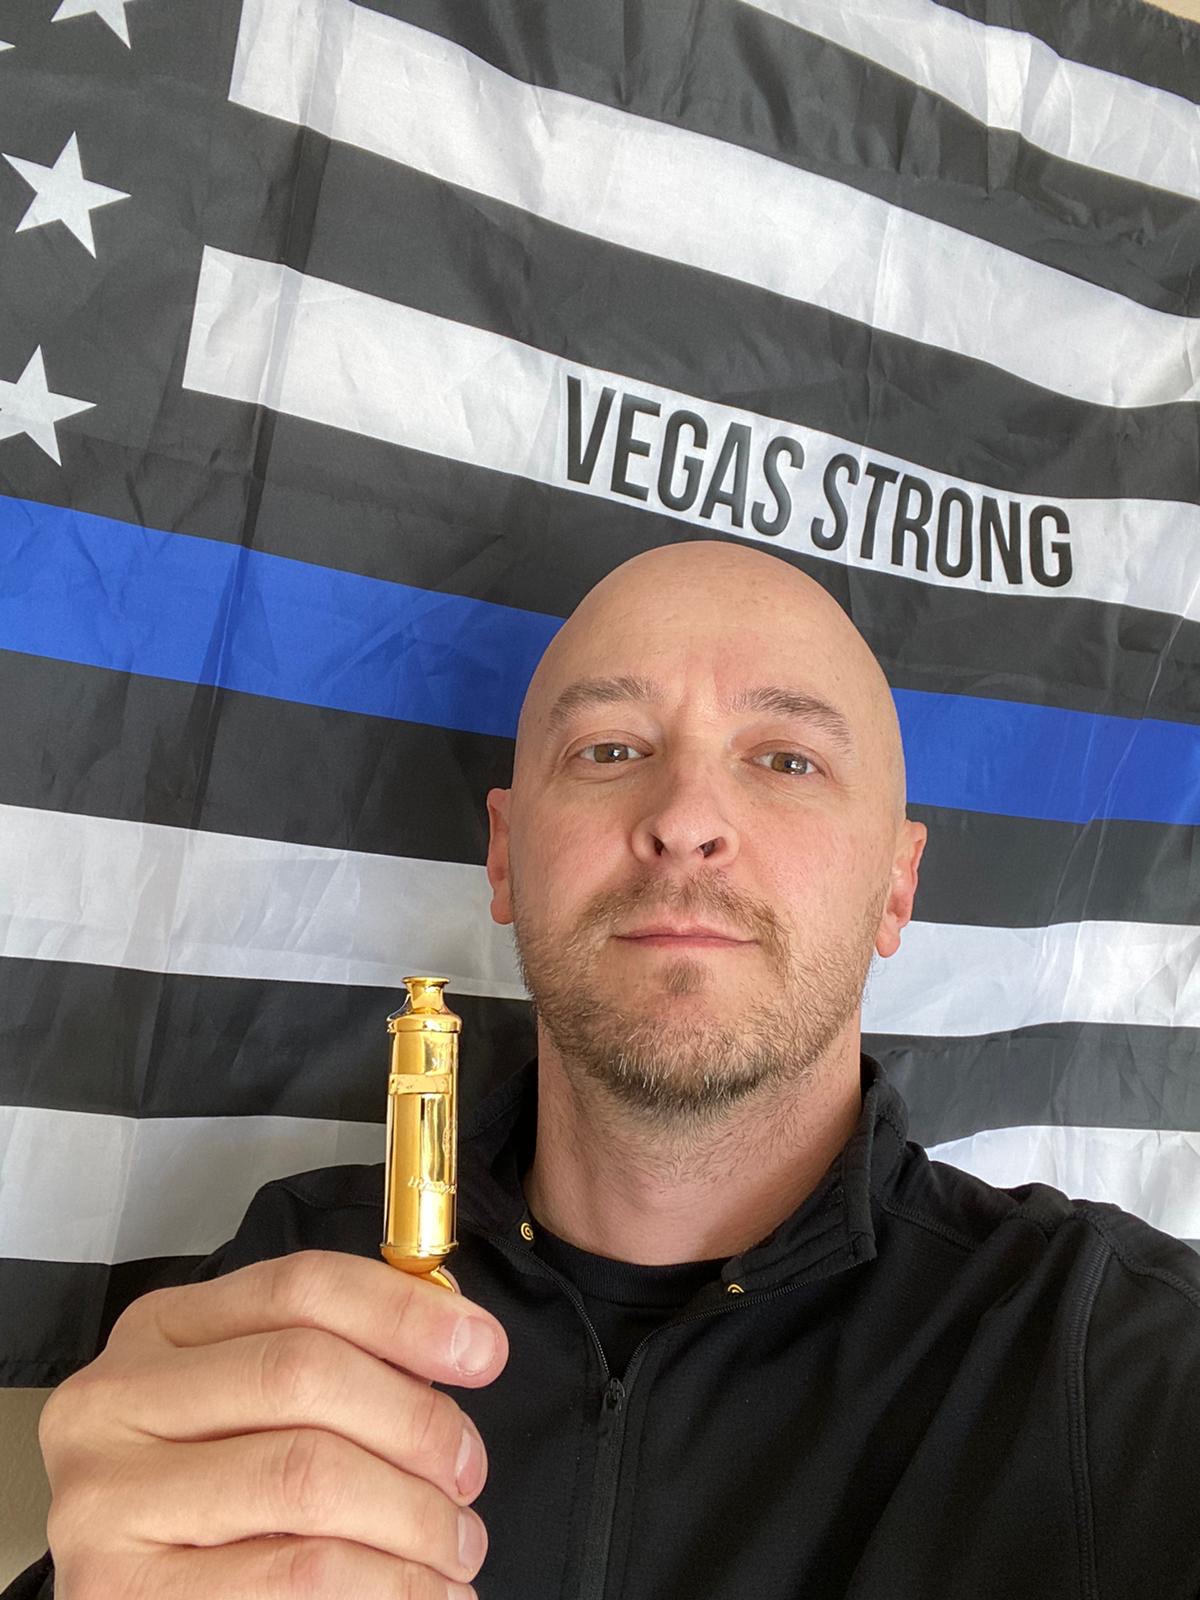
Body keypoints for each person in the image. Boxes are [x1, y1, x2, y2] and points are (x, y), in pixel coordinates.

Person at [8, 541, 1199, 1600]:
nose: (686, 817)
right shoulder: (296, 1274)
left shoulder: (1119, 1355)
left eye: (786, 759)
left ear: (898, 884)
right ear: (506, 856)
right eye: (612, 748)